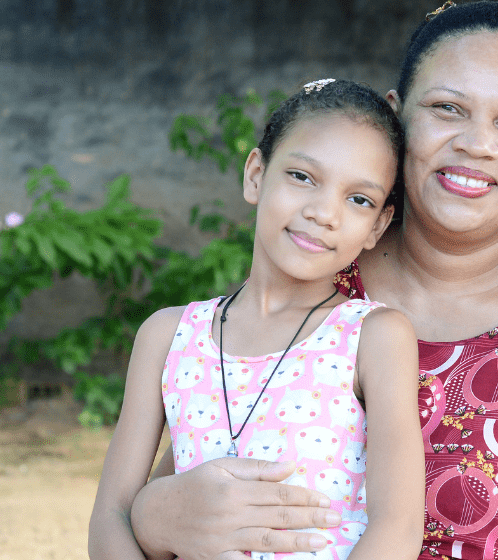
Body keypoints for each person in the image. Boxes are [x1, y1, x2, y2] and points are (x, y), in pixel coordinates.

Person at [127, 2, 498, 559]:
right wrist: (155, 514)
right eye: (448, 109)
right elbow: (202, 470)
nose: (477, 143)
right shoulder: (313, 283)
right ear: (398, 117)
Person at [89, 79, 425, 560]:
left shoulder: (374, 337)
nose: (323, 212)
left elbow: (398, 526)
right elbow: (111, 518)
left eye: (359, 199)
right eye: (303, 177)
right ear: (255, 174)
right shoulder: (167, 336)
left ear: (377, 226)